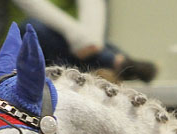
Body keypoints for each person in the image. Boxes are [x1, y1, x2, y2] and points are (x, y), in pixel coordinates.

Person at [12, 0, 157, 82]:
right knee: (36, 28)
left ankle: (110, 60)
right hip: (25, 38)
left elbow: (92, 4)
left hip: (72, 46)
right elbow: (34, 7)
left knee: (74, 42)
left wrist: (92, 42)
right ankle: (117, 61)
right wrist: (80, 39)